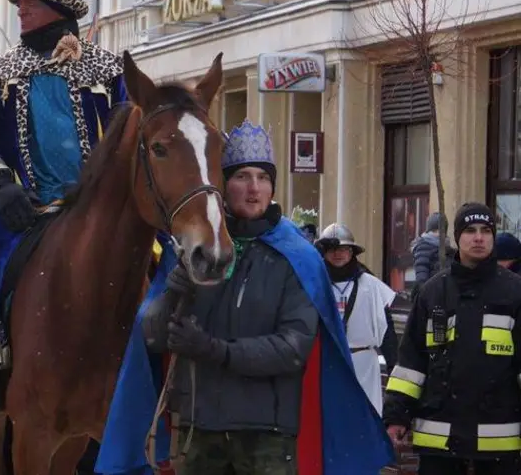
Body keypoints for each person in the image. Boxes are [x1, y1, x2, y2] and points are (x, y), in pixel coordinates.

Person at [136, 121, 393, 474]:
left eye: (263, 177)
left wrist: (214, 349)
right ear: (223, 185)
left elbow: (291, 349)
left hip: (266, 437)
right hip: (200, 430)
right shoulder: (197, 250)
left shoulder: (296, 257)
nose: (254, 188)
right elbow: (153, 336)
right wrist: (171, 295)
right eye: (242, 176)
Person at [0, 0, 131, 414]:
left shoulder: (109, 73)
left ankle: (166, 363)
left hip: (98, 209)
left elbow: (131, 139)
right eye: (20, 1)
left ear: (58, 7)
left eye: (30, 1)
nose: (21, 9)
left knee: (165, 257)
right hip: (23, 210)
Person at [384, 203, 521, 475]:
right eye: (470, 230)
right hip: (439, 440)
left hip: (498, 440)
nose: (479, 237)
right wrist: (397, 415)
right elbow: (411, 363)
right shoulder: (433, 292)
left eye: (486, 231)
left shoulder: (514, 292)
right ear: (457, 238)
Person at [315, 223, 398, 414]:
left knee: (364, 418)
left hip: (363, 365)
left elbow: (387, 331)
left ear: (352, 252)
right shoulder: (316, 283)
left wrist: (394, 368)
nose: (338, 254)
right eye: (332, 249)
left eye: (343, 248)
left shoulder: (370, 285)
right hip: (327, 362)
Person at [412, 211, 456, 295]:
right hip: (431, 292)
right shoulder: (423, 247)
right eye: (435, 230)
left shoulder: (448, 249)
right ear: (429, 231)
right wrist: (424, 291)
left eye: (442, 231)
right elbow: (421, 273)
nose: (439, 234)